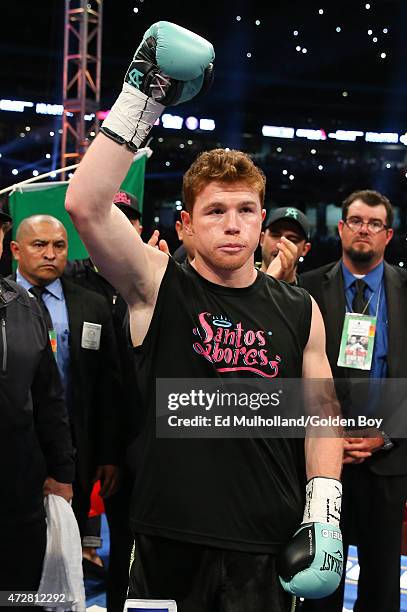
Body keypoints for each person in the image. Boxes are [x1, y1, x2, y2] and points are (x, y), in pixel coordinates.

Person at [65, 20, 343, 612]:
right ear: (185, 225)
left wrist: (325, 512)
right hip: (169, 537)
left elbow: (321, 412)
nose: (234, 223)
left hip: (268, 542)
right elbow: (85, 206)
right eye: (215, 210)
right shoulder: (156, 284)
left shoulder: (301, 307)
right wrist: (143, 96)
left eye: (247, 210)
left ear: (262, 220)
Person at [301, 189, 407, 612]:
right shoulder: (307, 288)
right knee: (322, 577)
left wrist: (388, 436)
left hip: (388, 457)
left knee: (381, 583)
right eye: (357, 221)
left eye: (374, 223)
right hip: (327, 459)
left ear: (388, 235)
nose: (365, 230)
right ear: (341, 228)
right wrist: (326, 436)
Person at [10, 214, 122, 545]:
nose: (50, 253)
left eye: (59, 245)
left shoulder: (93, 304)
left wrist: (109, 453)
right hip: (14, 447)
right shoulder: (3, 301)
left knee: (68, 548)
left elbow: (109, 385)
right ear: (16, 250)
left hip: (77, 447)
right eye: (39, 245)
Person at [0, 209, 75, 595]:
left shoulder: (23, 305)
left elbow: (49, 398)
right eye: (38, 245)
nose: (49, 253)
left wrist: (61, 471)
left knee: (18, 593)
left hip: (18, 491)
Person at [260, 206, 311, 283]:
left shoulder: (311, 291)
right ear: (262, 239)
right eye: (275, 235)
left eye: (292, 239)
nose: (281, 244)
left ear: (305, 249)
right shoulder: (239, 282)